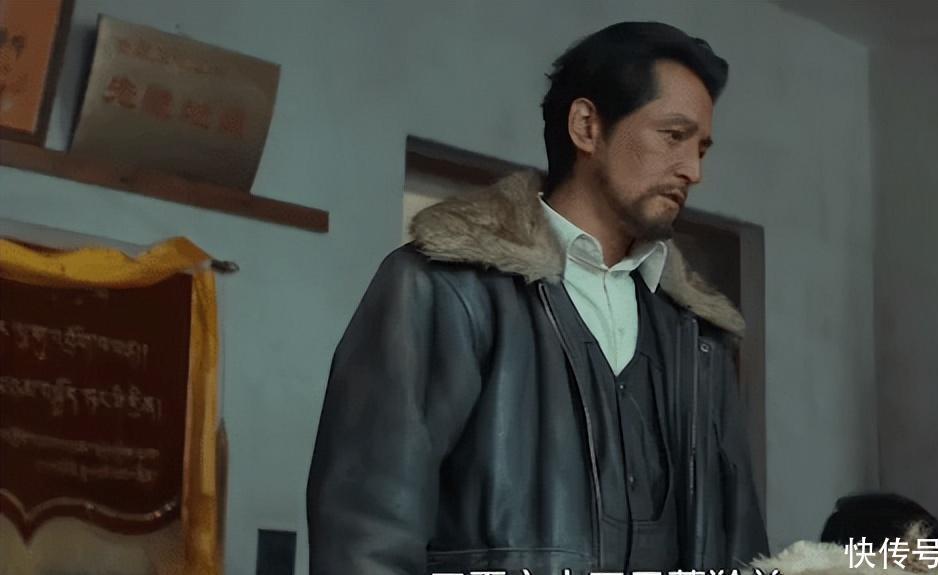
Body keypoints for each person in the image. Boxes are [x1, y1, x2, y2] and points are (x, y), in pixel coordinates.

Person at [307, 21, 768, 575]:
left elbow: (742, 546)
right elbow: (366, 535)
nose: (693, 170)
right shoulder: (444, 289)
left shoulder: (699, 337)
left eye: (701, 148)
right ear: (587, 126)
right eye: (674, 136)